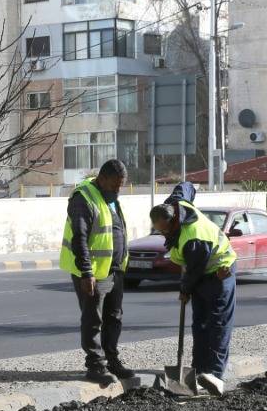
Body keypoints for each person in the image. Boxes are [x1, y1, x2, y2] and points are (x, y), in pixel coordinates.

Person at [150, 185, 238, 396]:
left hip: (220, 271)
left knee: (217, 323)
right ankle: (197, 370)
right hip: (201, 272)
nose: (162, 233)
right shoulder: (176, 204)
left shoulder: (193, 237)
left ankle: (215, 375)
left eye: (164, 229)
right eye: (158, 229)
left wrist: (185, 290)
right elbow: (186, 187)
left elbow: (194, 271)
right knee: (199, 323)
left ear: (173, 222)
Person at [60, 159, 133, 385]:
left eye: (121, 186)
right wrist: (86, 272)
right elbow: (79, 238)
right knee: (93, 320)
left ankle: (112, 360)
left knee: (114, 317)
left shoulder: (110, 199)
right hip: (93, 272)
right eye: (114, 185)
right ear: (102, 179)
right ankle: (95, 365)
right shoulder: (83, 198)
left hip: (114, 269)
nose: (117, 190)